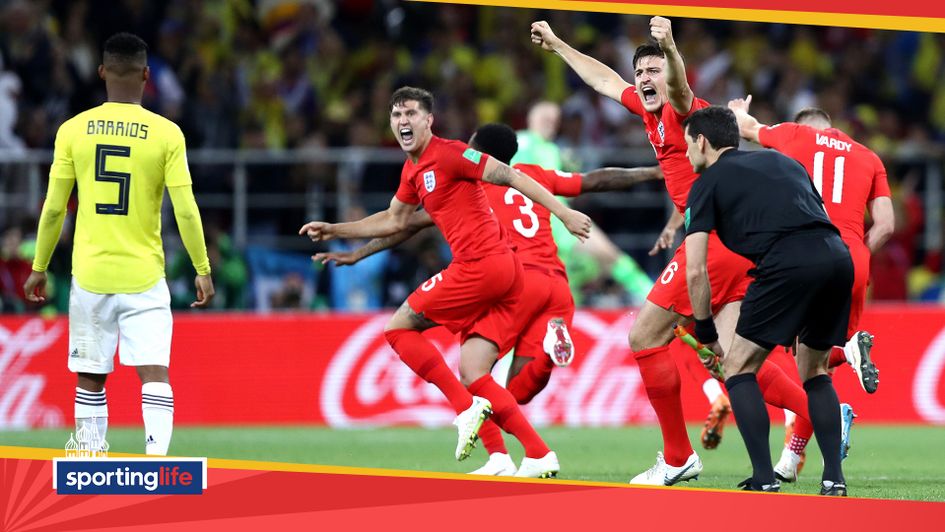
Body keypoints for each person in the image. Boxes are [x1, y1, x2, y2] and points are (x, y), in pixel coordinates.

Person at [531, 16, 819, 485]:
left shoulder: (685, 111)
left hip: (713, 241)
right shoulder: (648, 110)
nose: (645, 79)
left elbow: (682, 88)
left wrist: (670, 49)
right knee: (735, 360)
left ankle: (678, 455)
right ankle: (823, 414)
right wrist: (560, 45)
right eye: (640, 72)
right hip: (736, 242)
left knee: (645, 337)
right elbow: (604, 78)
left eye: (653, 71)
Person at [316, 122, 663, 476]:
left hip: (513, 281)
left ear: (475, 149)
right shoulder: (532, 174)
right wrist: (654, 171)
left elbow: (405, 224)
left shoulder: (468, 181)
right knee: (512, 394)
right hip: (557, 286)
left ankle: (505, 452)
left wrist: (359, 251)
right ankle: (532, 390)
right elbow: (596, 180)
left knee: (473, 372)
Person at [23, 33, 215, 456]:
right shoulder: (167, 134)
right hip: (144, 275)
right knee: (154, 373)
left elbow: (56, 209)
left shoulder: (72, 131)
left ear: (101, 73)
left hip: (90, 274)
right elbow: (186, 210)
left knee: (91, 376)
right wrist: (201, 268)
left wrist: (39, 265)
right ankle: (156, 465)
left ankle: (90, 461)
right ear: (147, 75)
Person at [683, 105, 853, 496]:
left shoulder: (706, 183)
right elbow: (820, 213)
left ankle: (763, 478)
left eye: (688, 144)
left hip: (785, 262)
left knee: (738, 368)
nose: (688, 152)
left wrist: (707, 330)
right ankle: (833, 479)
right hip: (835, 257)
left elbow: (695, 270)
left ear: (702, 142)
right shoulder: (785, 162)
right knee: (816, 372)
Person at [728, 99, 894, 481]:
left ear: (806, 126)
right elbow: (885, 224)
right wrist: (856, 257)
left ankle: (847, 353)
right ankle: (809, 466)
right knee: (816, 365)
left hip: (801, 255)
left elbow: (746, 128)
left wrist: (737, 109)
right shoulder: (869, 157)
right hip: (851, 259)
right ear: (832, 126)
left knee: (775, 360)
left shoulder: (794, 136)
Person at [511, 101, 654, 305]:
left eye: (554, 120)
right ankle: (652, 299)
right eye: (545, 118)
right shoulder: (523, 141)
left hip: (560, 217)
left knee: (575, 270)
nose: (549, 123)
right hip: (544, 220)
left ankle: (574, 311)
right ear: (531, 119)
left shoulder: (552, 148)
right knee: (607, 255)